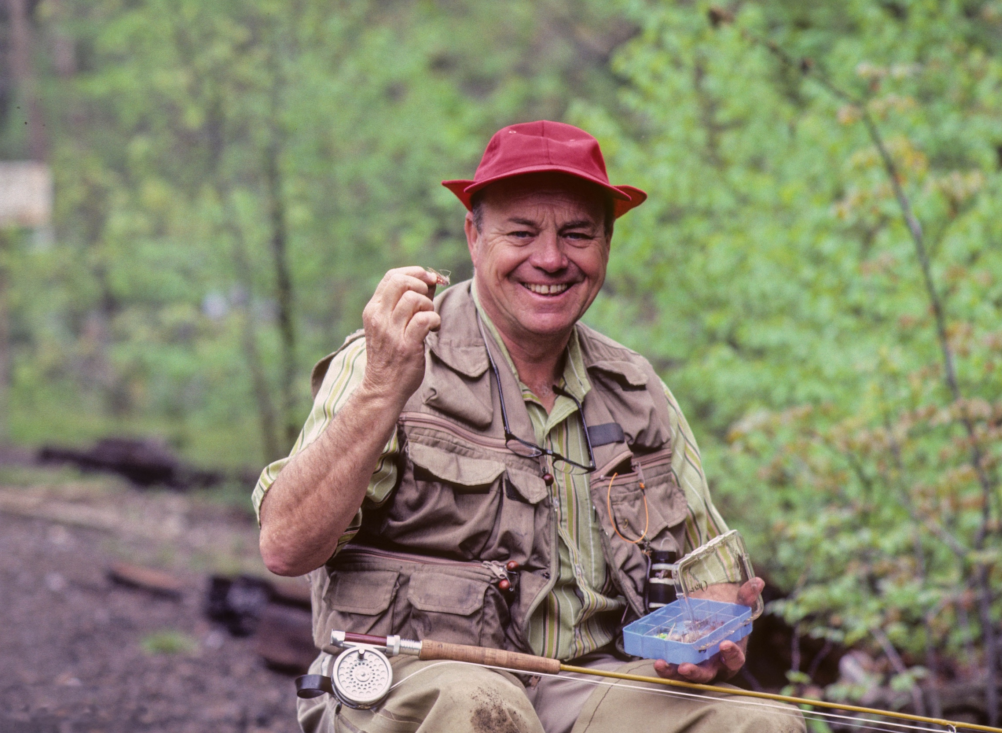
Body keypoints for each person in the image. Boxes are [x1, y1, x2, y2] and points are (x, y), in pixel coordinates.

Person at [253, 120, 804, 733]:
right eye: (521, 233)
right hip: (410, 681)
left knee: (760, 724)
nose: (550, 258)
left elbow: (712, 571)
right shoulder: (387, 358)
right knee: (485, 710)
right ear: (473, 237)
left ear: (606, 246)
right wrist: (383, 389)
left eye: (576, 234)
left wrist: (712, 626)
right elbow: (285, 546)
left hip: (588, 686)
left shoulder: (639, 390)